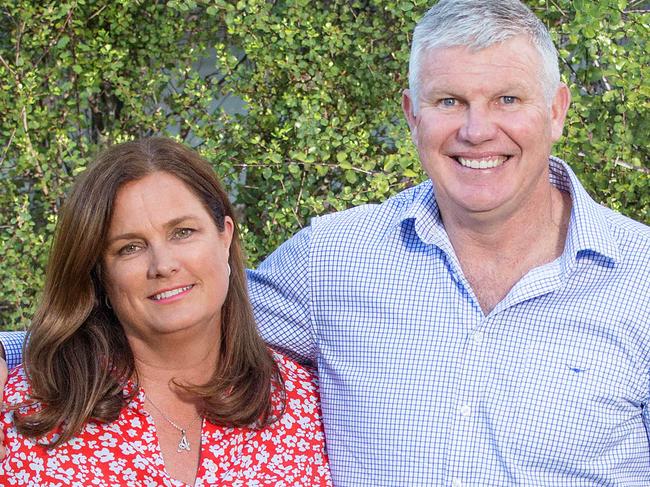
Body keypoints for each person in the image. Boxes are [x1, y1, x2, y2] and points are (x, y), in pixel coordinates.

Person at [2, 0, 650, 485]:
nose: (477, 129)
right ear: (411, 114)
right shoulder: (335, 258)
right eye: (449, 101)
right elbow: (184, 307)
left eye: (508, 98)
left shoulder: (641, 278)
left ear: (559, 109)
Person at [0, 138, 331, 486]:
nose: (163, 265)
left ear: (225, 238)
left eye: (183, 232)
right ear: (99, 274)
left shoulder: (304, 405)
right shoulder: (27, 413)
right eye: (130, 248)